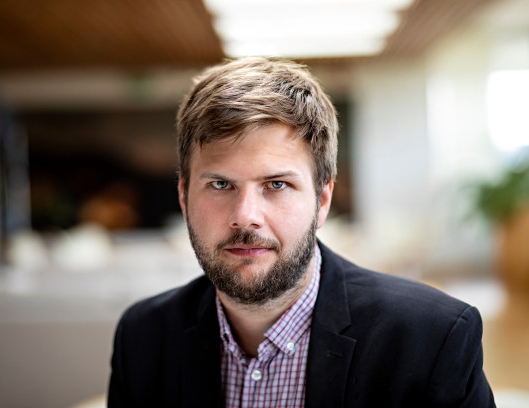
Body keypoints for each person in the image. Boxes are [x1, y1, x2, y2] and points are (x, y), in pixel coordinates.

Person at [108, 57, 496, 407]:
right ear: (183, 197)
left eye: (277, 184)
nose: (246, 217)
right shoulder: (143, 337)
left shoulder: (431, 337)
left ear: (322, 200)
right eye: (220, 184)